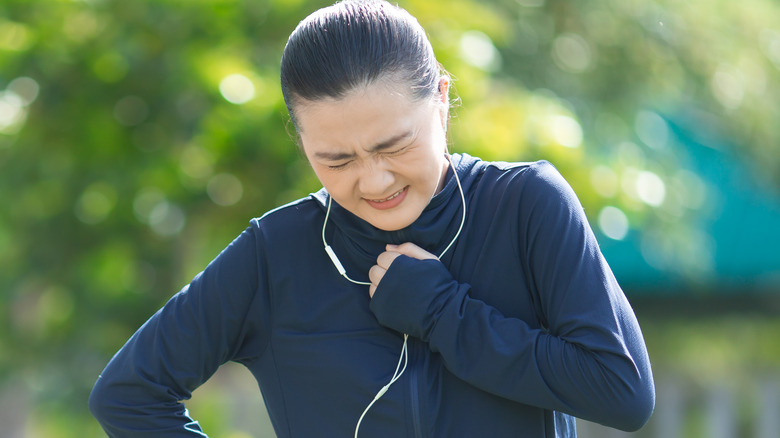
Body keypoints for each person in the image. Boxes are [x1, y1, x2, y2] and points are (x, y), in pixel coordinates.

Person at [88, 0, 655, 436]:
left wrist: (443, 313)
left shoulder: (527, 204)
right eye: (336, 160)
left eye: (395, 145)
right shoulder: (276, 252)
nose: (375, 180)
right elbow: (129, 394)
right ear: (300, 140)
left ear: (440, 97)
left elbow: (622, 390)